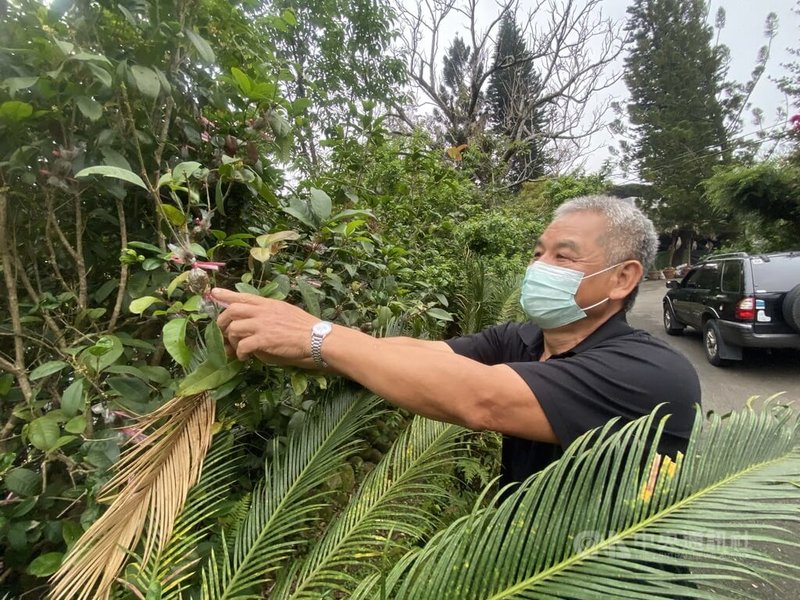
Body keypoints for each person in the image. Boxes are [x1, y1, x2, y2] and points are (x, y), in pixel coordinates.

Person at [213, 195, 701, 487]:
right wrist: (303, 341)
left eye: (563, 257)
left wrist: (318, 335)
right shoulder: (524, 340)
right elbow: (424, 355)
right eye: (538, 252)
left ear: (622, 279)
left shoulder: (649, 372)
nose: (538, 267)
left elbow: (480, 398)